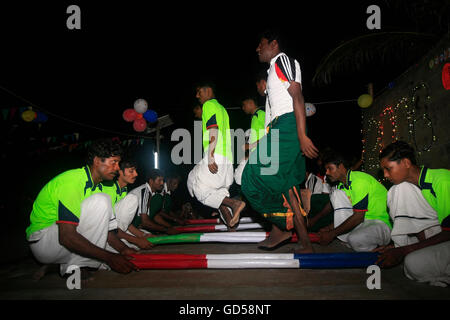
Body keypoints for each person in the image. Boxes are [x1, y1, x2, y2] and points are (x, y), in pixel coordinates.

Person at [241, 29, 319, 253]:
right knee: (288, 187)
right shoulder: (273, 69)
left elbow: (297, 95)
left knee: (251, 178)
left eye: (261, 44)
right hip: (282, 127)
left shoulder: (282, 60)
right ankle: (305, 242)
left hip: (287, 127)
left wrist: (301, 135)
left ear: (274, 44)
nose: (258, 49)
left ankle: (282, 223)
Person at [26, 139, 138, 280]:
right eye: (113, 162)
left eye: (118, 163)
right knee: (101, 200)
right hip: (43, 242)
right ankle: (79, 265)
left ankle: (68, 266)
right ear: (97, 161)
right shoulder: (73, 181)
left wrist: (123, 249)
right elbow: (66, 236)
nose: (117, 168)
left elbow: (107, 231)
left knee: (102, 202)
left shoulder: (96, 186)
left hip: (58, 243)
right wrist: (110, 258)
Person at [376, 141, 450, 287]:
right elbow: (420, 225)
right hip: (437, 238)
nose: (385, 175)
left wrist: (404, 250)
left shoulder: (442, 181)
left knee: (413, 263)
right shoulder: (408, 187)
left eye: (388, 169)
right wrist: (395, 246)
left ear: (406, 162)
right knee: (413, 265)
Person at [187, 82, 246, 228]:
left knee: (197, 187)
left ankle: (234, 203)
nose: (197, 96)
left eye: (199, 92)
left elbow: (213, 128)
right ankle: (231, 227)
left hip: (216, 156)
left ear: (208, 91)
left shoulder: (208, 105)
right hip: (227, 161)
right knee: (218, 196)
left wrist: (211, 156)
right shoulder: (222, 109)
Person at [319, 149, 392, 251]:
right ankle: (354, 241)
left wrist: (332, 234)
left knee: (355, 239)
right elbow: (346, 214)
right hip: (364, 223)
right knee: (336, 194)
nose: (327, 173)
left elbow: (358, 217)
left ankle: (378, 249)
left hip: (381, 224)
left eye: (330, 168)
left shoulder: (359, 181)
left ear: (341, 167)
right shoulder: (341, 186)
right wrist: (329, 228)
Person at [101, 158, 154, 251]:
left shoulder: (124, 190)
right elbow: (108, 226)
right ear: (120, 172)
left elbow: (125, 221)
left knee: (146, 235)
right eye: (131, 171)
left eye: (135, 171)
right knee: (132, 199)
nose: (136, 174)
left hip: (117, 229)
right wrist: (136, 240)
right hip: (107, 232)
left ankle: (124, 241)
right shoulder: (108, 190)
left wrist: (142, 235)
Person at [129, 169, 179, 234]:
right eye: (159, 180)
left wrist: (170, 227)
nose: (162, 183)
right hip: (128, 228)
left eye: (163, 180)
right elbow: (145, 222)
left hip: (135, 226)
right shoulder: (145, 191)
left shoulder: (151, 193)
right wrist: (165, 229)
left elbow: (155, 216)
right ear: (151, 181)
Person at [234, 96, 266, 185]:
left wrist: (250, 146)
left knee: (241, 178)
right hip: (255, 154)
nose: (243, 108)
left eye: (244, 105)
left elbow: (270, 134)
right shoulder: (255, 117)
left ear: (251, 103)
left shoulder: (261, 114)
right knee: (240, 178)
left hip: (262, 154)